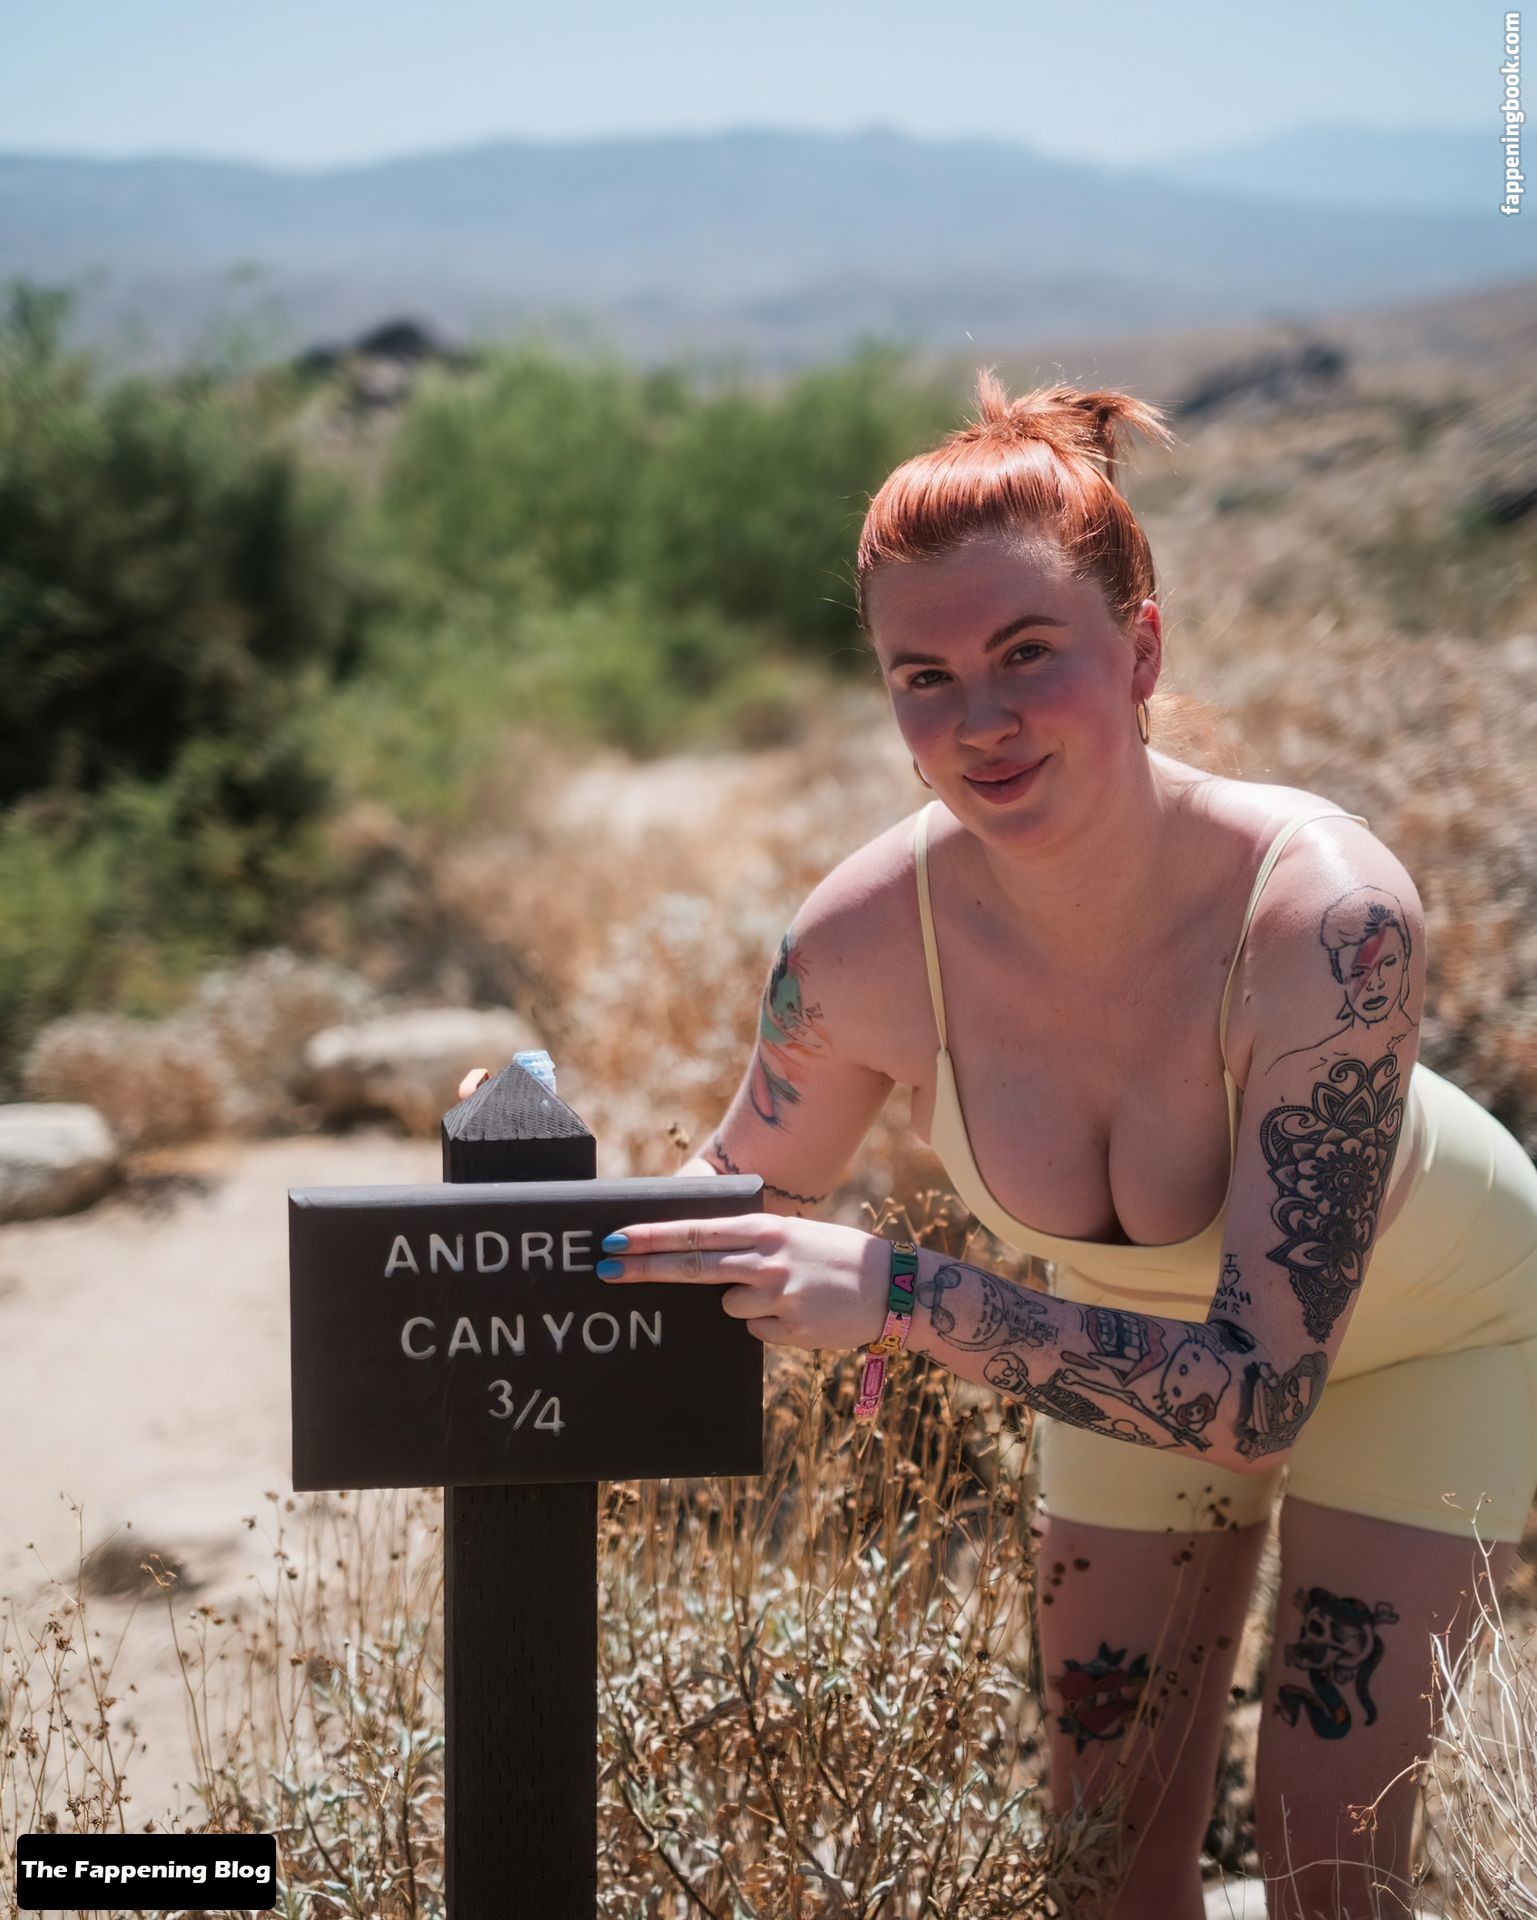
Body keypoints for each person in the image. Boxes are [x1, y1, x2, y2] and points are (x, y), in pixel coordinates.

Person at [459, 374, 1537, 1920]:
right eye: (924, 676)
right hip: (1121, 1354)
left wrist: (898, 1298)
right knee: (1103, 1857)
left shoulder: (1324, 918)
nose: (979, 720)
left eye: (1028, 652)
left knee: (1327, 1854)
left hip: (1424, 1337)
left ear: (1140, 649)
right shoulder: (856, 948)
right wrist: (508, 1215)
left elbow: (1255, 1399)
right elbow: (740, 1203)